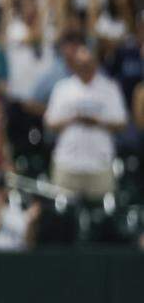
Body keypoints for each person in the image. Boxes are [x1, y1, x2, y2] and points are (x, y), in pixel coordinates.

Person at [43, 43, 128, 200]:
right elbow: (50, 123)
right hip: (68, 162)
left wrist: (98, 122)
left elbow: (122, 123)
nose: (84, 68)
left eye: (88, 64)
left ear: (95, 63)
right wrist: (73, 119)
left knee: (101, 217)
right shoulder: (63, 88)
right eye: (81, 65)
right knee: (63, 215)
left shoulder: (109, 88)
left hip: (99, 163)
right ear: (75, 65)